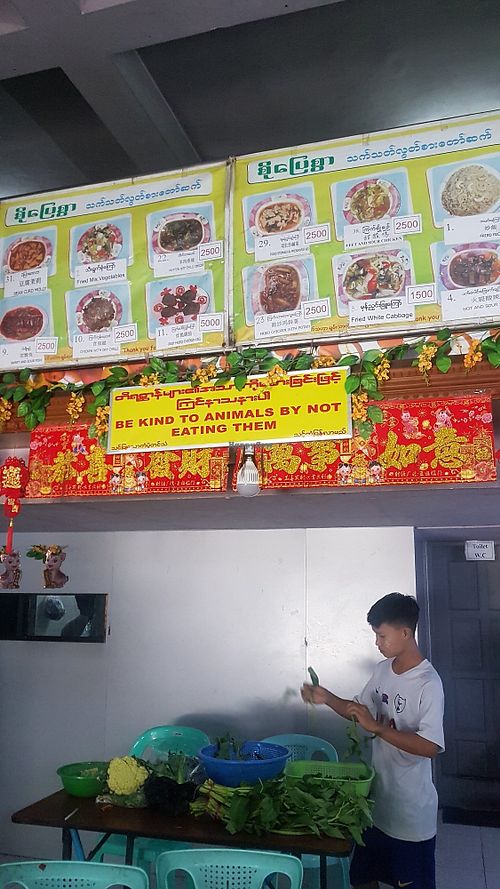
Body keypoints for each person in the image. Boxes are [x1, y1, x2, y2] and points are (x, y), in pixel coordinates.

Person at [301, 592, 444, 889]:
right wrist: (326, 697)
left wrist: (378, 729)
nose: (377, 643)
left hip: (410, 815)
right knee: (363, 878)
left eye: (381, 635)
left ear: (405, 633)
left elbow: (430, 747)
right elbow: (359, 712)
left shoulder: (428, 683)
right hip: (376, 807)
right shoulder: (382, 671)